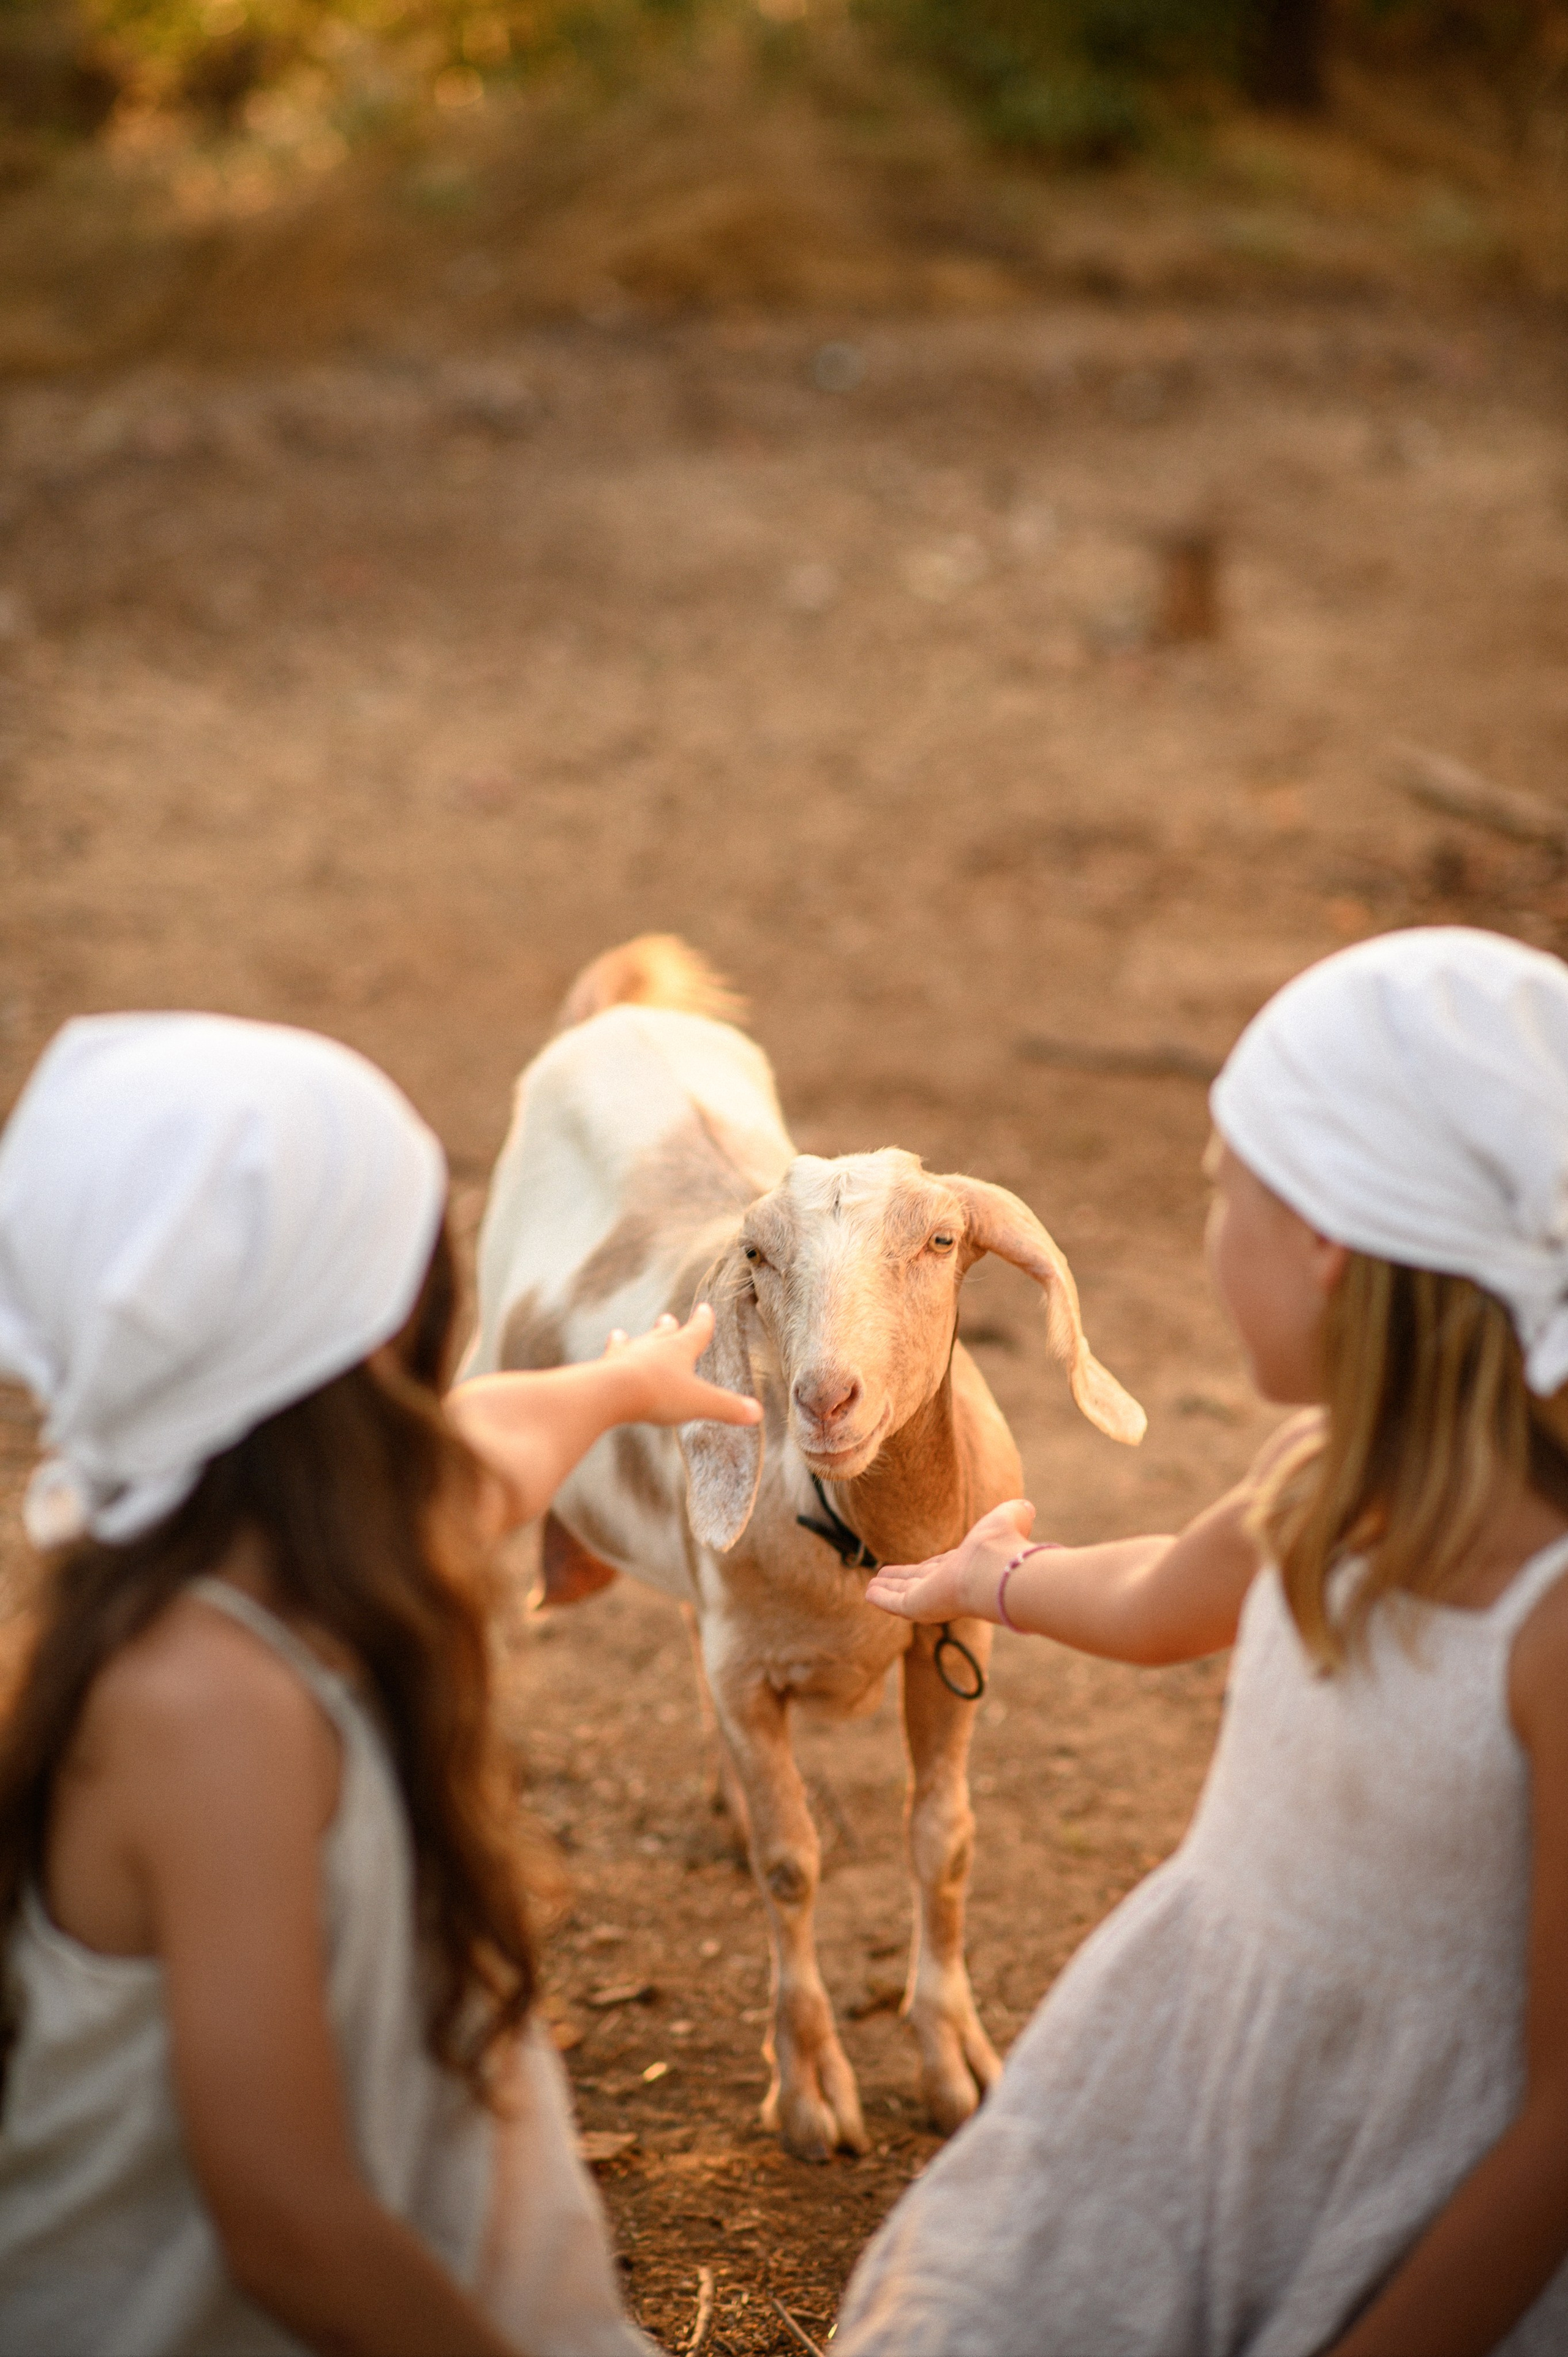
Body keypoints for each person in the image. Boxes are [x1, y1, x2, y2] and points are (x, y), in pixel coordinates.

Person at [837, 926, 1568, 2357]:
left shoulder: (1544, 1627)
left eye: (1221, 1195)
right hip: (1190, 2079)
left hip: (1407, 2179)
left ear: (1328, 1250)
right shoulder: (1326, 1480)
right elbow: (1157, 1597)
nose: (1204, 1232)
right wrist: (997, 1576)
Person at [0, 1009, 762, 2357]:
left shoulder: (324, 1539)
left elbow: (497, 1435)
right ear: (383, 1331)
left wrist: (626, 1383)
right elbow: (289, 2222)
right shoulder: (207, 1706)